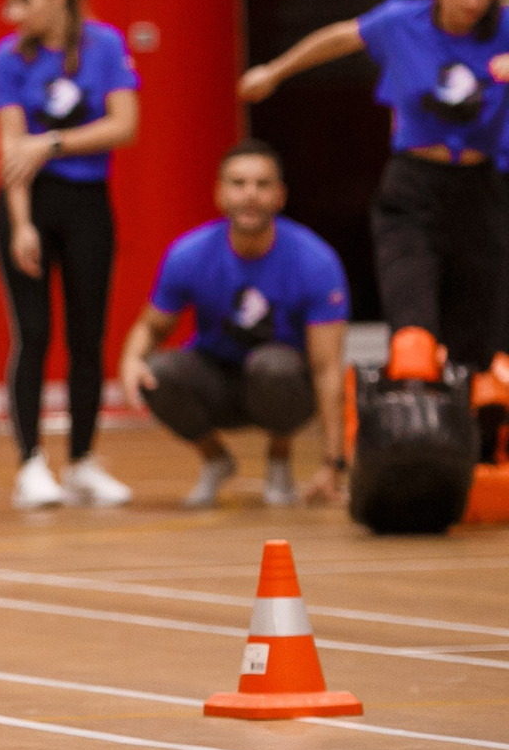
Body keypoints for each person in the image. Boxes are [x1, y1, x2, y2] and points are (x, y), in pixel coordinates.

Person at [239, 0, 509, 378]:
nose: (472, 1)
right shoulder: (400, 22)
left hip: (483, 191)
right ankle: (413, 432)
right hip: (413, 190)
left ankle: (479, 441)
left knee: (479, 339)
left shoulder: (504, 28)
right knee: (414, 338)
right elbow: (340, 39)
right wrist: (274, 72)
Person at [118, 142, 350, 509]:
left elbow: (326, 369)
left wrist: (332, 463)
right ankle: (216, 460)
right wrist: (130, 359)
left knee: (272, 367)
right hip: (217, 382)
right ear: (220, 193)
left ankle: (279, 460)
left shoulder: (316, 261)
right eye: (239, 183)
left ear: (280, 195)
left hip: (284, 385)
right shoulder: (188, 253)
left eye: (262, 184)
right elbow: (152, 326)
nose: (250, 195)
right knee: (157, 371)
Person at [0, 0, 140, 510]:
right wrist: (21, 222)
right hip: (28, 201)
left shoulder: (105, 47)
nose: (13, 13)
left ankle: (82, 460)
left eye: (24, 0)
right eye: (8, 1)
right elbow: (10, 147)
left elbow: (124, 125)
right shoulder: (7, 58)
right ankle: (31, 463)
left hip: (86, 202)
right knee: (32, 333)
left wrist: (52, 143)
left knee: (87, 336)